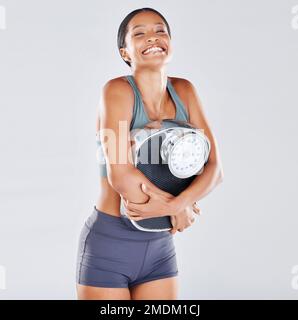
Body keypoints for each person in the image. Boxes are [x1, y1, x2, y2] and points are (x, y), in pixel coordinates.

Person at [76, 7, 224, 300]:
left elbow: (215, 168)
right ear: (125, 52)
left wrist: (179, 204)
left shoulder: (185, 91)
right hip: (110, 244)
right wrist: (179, 208)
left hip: (160, 250)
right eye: (139, 34)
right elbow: (120, 174)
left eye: (160, 31)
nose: (153, 38)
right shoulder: (116, 91)